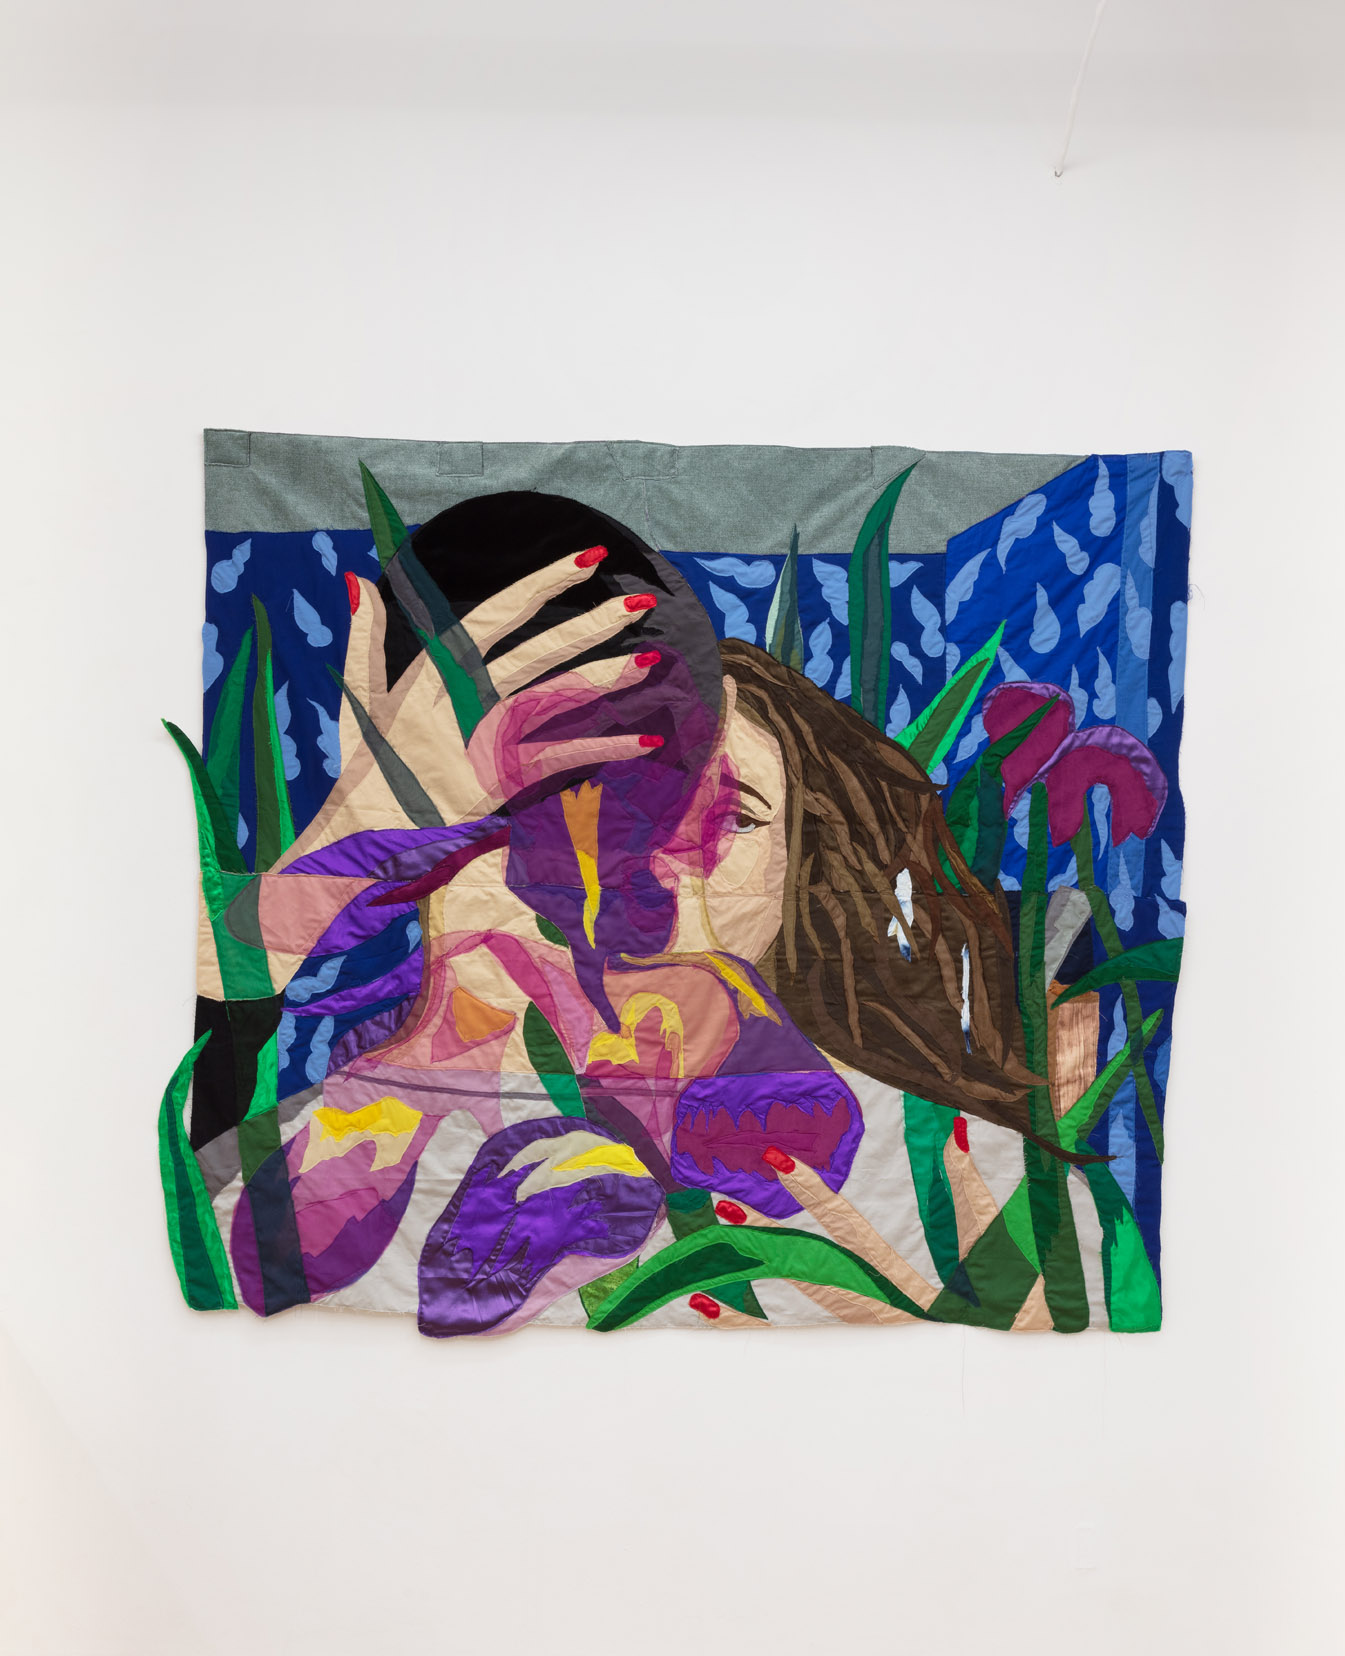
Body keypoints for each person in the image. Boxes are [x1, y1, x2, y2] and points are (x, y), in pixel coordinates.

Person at [199, 491, 1054, 1335]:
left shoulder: (949, 1179)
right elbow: (230, 1252)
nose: (645, 869)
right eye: (536, 803)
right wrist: (330, 861)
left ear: (804, 859)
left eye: (732, 816)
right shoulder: (319, 1131)